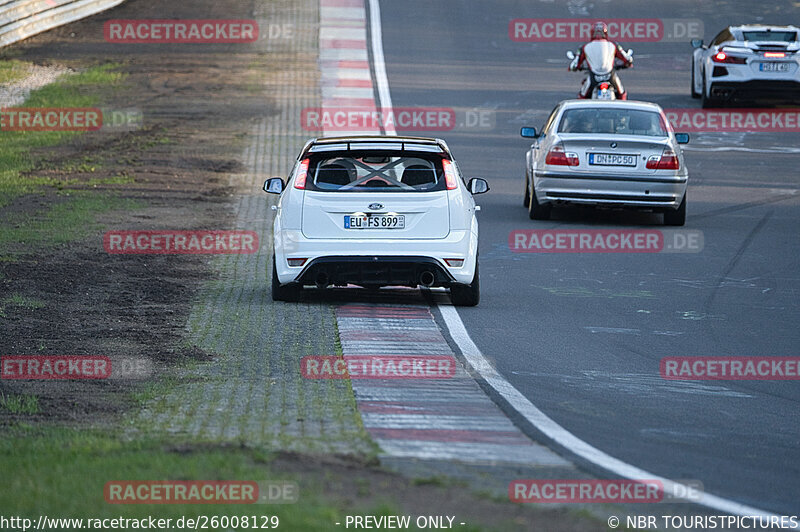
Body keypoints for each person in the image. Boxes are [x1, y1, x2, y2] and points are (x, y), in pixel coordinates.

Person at [569, 22, 633, 100]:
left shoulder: (585, 47)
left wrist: (574, 68)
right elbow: (626, 58)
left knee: (582, 97)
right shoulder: (613, 45)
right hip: (610, 76)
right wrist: (627, 63)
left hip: (593, 78)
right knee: (622, 94)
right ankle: (623, 111)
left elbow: (575, 64)